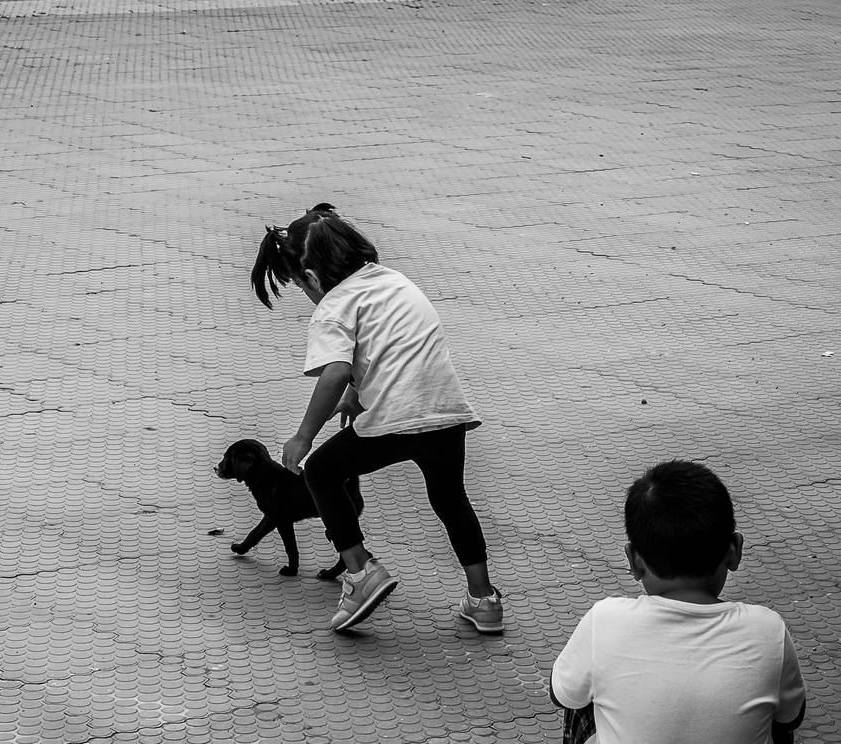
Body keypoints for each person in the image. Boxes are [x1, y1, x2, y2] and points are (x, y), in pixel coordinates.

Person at [250, 202, 502, 633]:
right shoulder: (396, 282)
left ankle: (361, 572)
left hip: (398, 417)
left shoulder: (333, 306)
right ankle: (484, 599)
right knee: (450, 498)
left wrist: (302, 437)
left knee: (322, 473)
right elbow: (389, 345)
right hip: (445, 409)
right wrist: (356, 395)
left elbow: (336, 370)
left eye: (299, 285)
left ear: (311, 277)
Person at [550, 460, 807, 744]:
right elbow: (790, 717)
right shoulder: (768, 629)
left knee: (583, 693)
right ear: (734, 551)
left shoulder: (605, 620)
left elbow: (561, 693)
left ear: (634, 561)